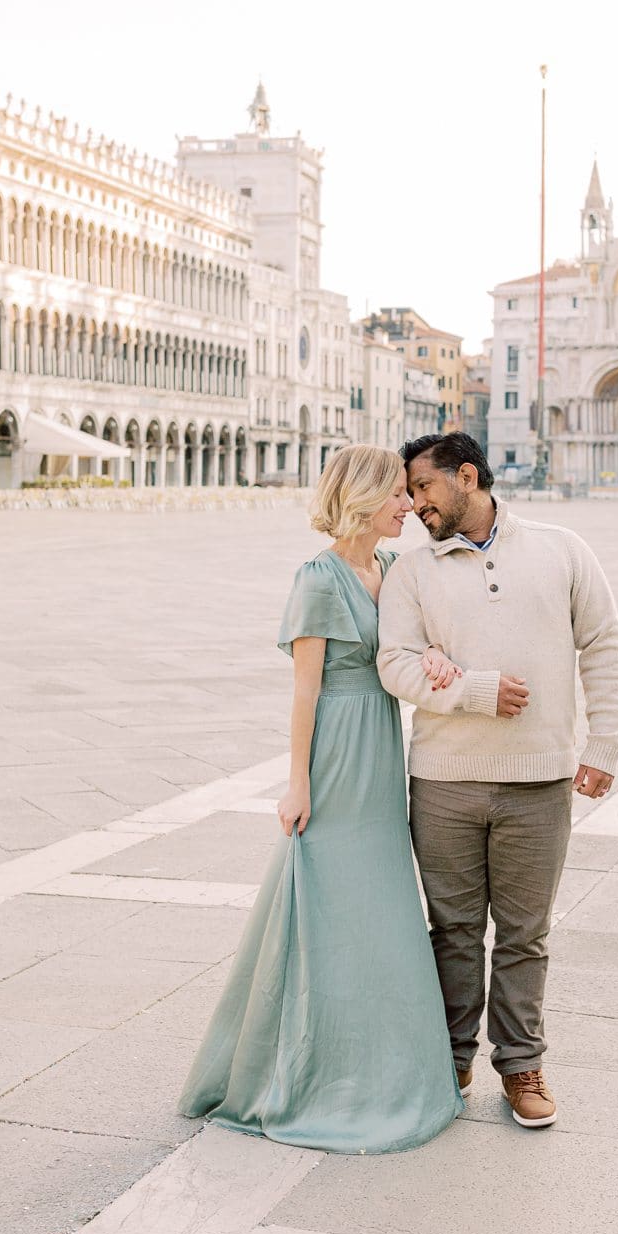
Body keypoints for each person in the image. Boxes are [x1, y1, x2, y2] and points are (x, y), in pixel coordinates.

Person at [177, 445, 464, 1153]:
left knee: (383, 904)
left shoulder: (394, 569)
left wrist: (429, 655)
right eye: (398, 494)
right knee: (328, 901)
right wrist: (297, 781)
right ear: (365, 497)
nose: (410, 504)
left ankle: (385, 1063)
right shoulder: (319, 578)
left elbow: (408, 645)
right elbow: (305, 690)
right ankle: (314, 1067)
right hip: (336, 749)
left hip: (380, 748)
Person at [377, 432, 618, 1130]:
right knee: (452, 930)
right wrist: (473, 692)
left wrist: (604, 740)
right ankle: (451, 1057)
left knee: (525, 934)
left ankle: (521, 1065)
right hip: (443, 782)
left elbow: (603, 642)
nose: (414, 503)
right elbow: (393, 663)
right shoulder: (410, 571)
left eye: (423, 487)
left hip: (538, 781)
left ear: (467, 475)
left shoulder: (562, 549)